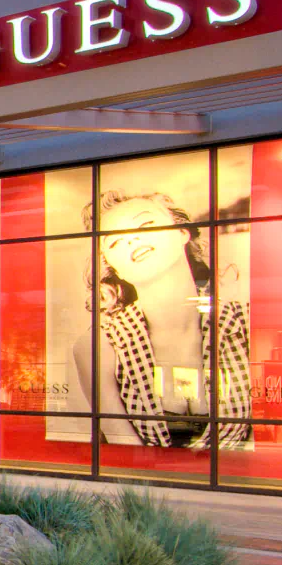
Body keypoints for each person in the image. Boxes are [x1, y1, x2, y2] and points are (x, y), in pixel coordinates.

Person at [69, 190, 250, 448]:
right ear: (112, 265)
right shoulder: (98, 346)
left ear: (182, 233)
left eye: (145, 225)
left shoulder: (242, 323)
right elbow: (123, 446)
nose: (132, 240)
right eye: (115, 242)